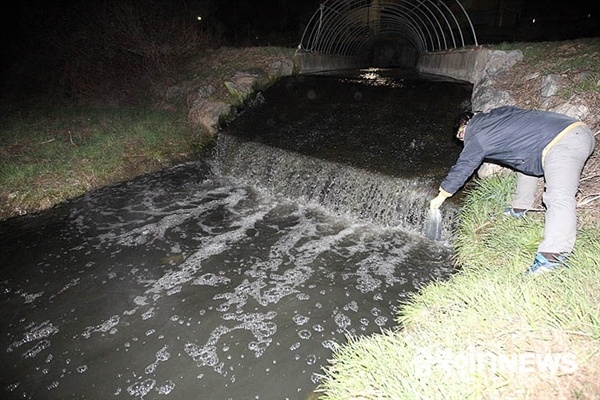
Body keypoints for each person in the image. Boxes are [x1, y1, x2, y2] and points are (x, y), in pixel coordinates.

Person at [429, 106, 595, 274]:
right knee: (525, 167)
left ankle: (552, 257)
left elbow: (463, 166)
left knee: (559, 196)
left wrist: (442, 195)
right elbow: (522, 154)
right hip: (571, 131)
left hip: (565, 142)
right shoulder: (498, 117)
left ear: (464, 127)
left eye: (461, 137)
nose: (463, 141)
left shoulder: (477, 134)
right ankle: (519, 209)